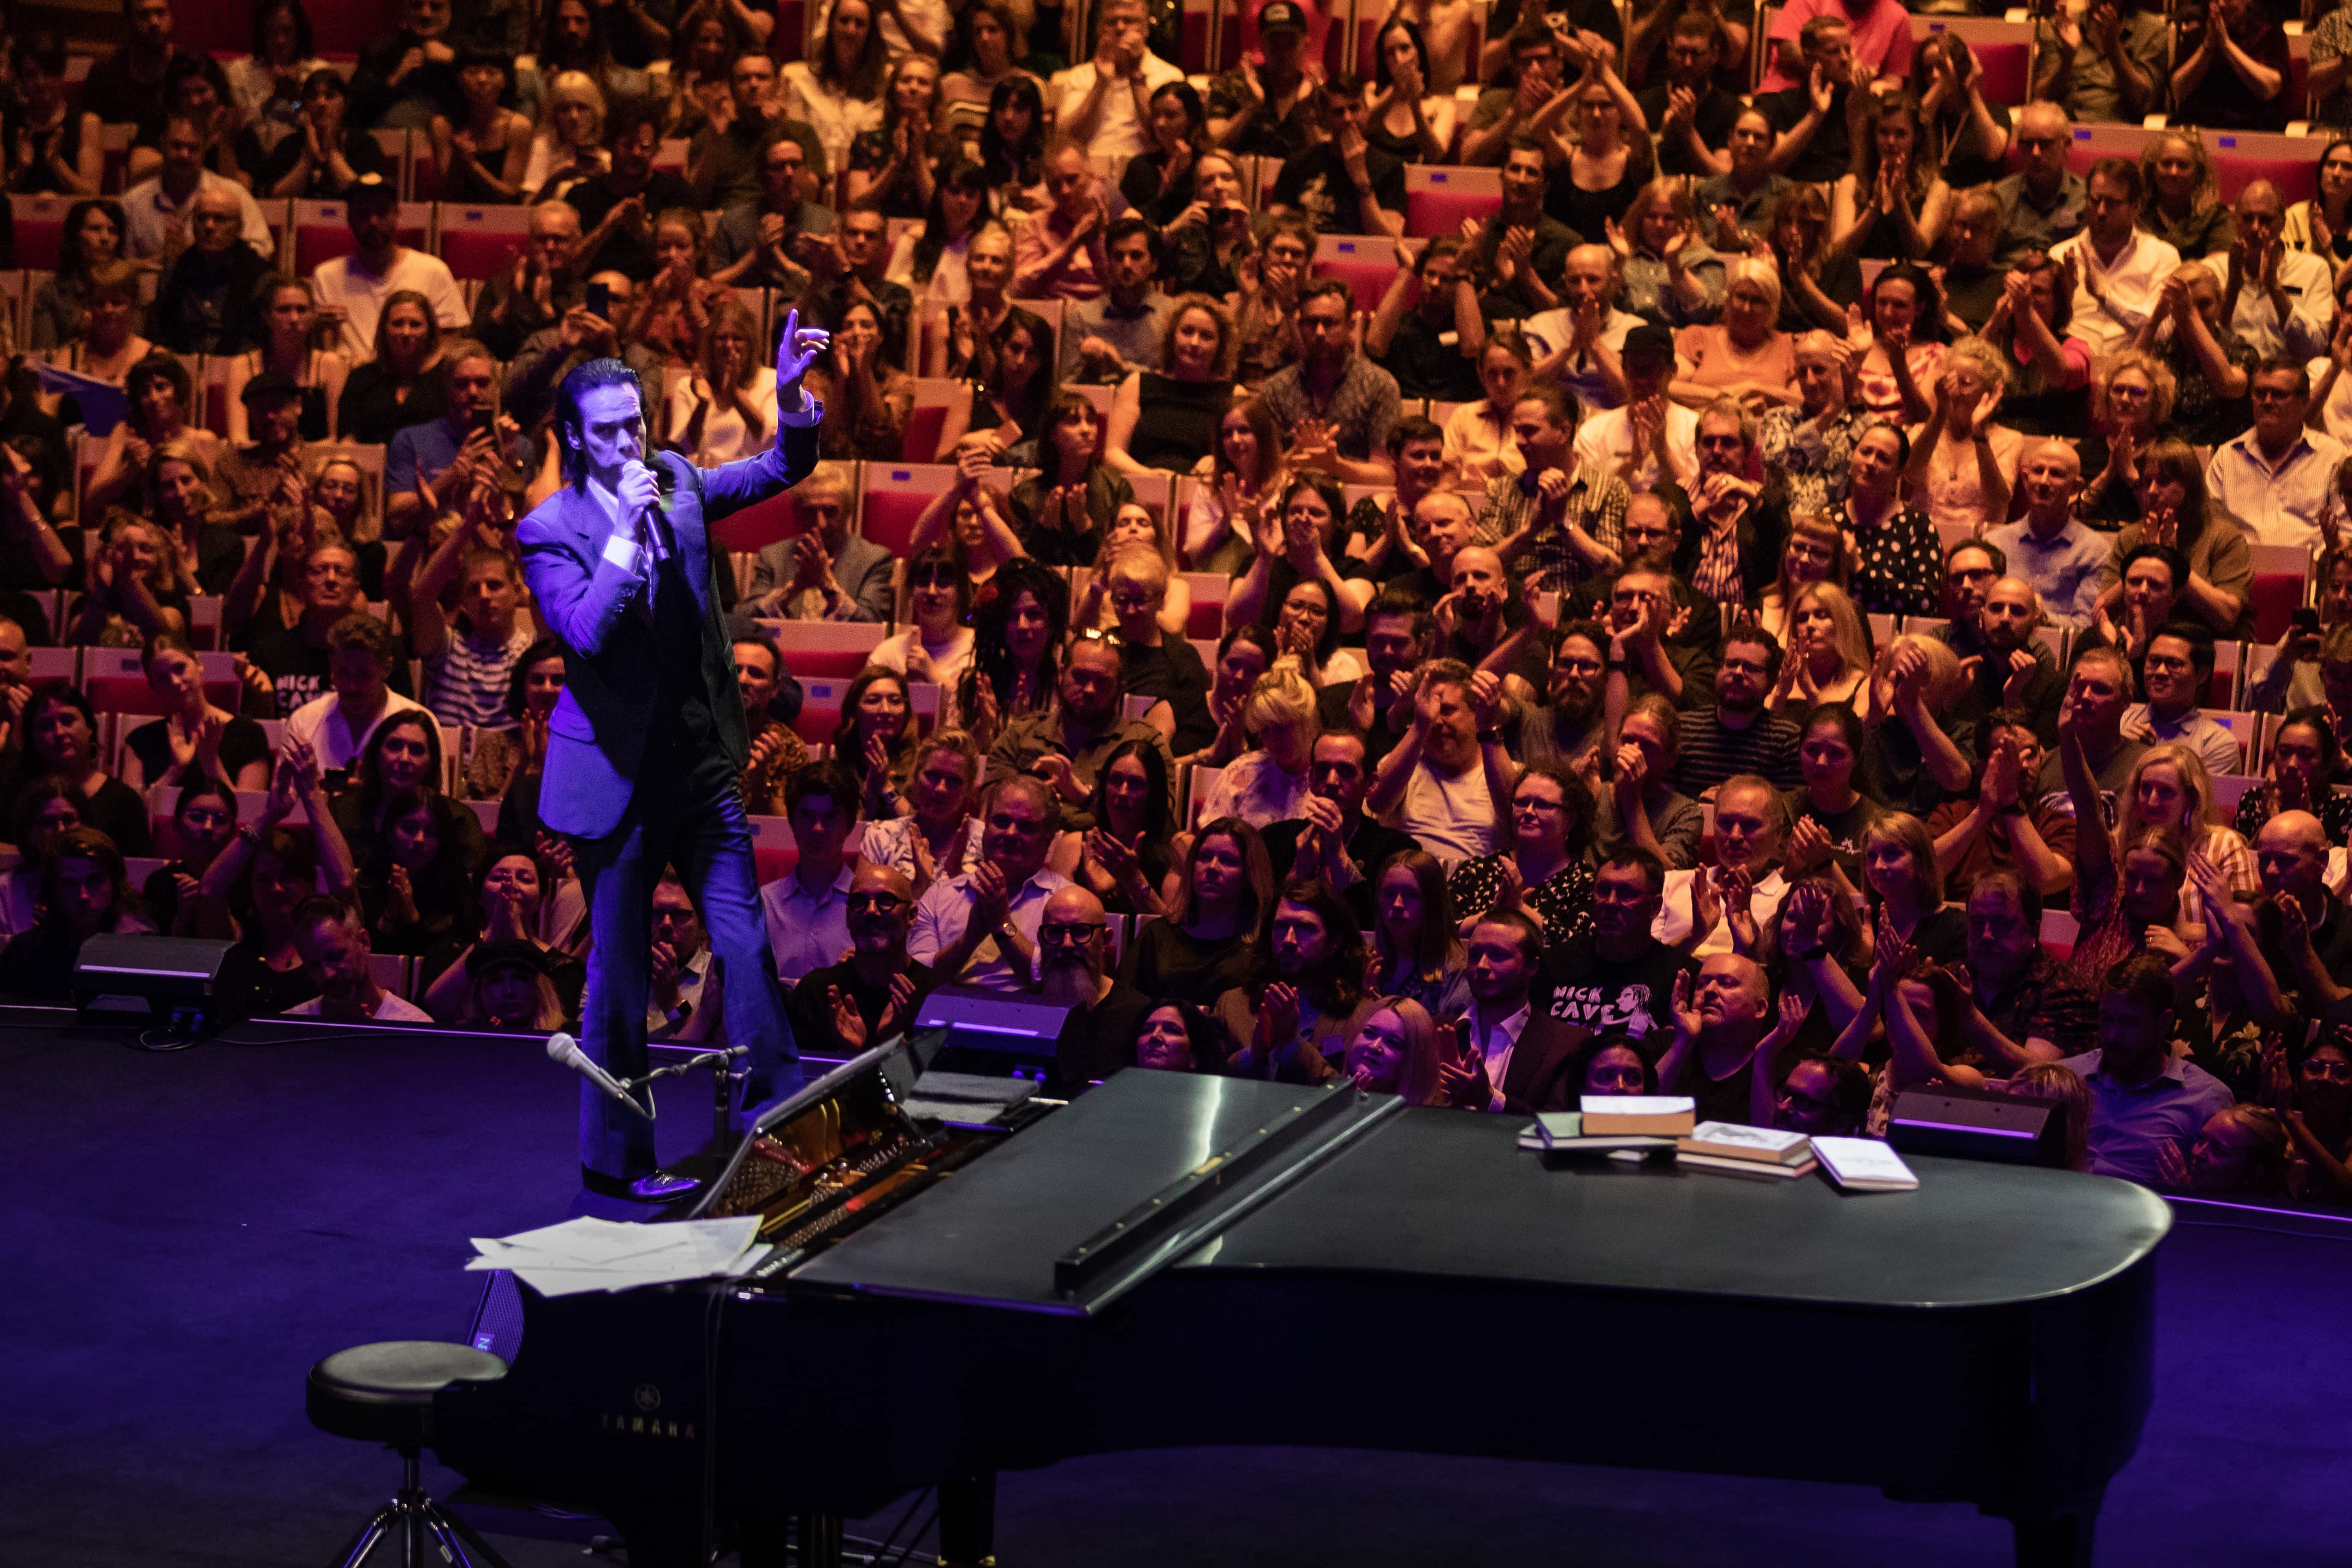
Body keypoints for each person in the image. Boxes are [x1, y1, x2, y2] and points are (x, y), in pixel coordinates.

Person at [515, 314, 831, 1200]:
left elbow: (780, 467)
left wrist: (792, 398)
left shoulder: (681, 480)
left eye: (638, 424)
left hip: (697, 772)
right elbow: (581, 627)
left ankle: (791, 1136)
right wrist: (623, 538)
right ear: (574, 438)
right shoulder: (550, 528)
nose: (629, 443)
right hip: (615, 785)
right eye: (610, 430)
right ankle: (618, 1163)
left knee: (743, 946)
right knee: (616, 980)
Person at [2051, 954, 2236, 1184]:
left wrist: (2186, 1195)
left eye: (2129, 1023)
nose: (2112, 1036)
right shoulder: (2066, 1079)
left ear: (2164, 1023)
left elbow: (2223, 1198)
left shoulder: (2206, 1098)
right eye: (2106, 1019)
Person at [907, 773, 1071, 993]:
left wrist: (1002, 924)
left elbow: (1059, 984)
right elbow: (917, 978)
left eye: (1026, 827)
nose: (1011, 834)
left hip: (1028, 1019)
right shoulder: (940, 895)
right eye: (1001, 822)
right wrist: (970, 939)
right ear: (985, 827)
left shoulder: (1066, 902)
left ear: (1049, 838)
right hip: (944, 1021)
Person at [986, 635, 1170, 830]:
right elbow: (991, 813)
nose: (1090, 690)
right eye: (1080, 677)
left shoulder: (1146, 744)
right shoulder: (1020, 736)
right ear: (1061, 674)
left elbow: (1159, 825)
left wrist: (1083, 798)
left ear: (1121, 684)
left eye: (1103, 681)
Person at [1217, 879, 1384, 1084]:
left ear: (1334, 943)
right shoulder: (1232, 1005)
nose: (1288, 940)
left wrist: (1291, 1046)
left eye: (1305, 928)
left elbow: (1353, 1096)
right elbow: (1205, 1082)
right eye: (1280, 927)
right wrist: (1254, 1054)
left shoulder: (1364, 1017)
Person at [1366, 661, 1515, 869]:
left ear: (1476, 712)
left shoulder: (1507, 771)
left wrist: (1488, 728)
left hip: (1479, 892)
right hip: (1408, 893)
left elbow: (1514, 820)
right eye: (1428, 711)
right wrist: (1420, 726)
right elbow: (1378, 803)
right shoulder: (1403, 765)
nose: (1435, 721)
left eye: (1446, 710)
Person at [786, 860, 936, 1057]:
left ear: (912, 916)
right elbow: (803, 1083)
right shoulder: (816, 992)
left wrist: (894, 1044)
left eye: (886, 901)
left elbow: (923, 1088)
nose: (871, 911)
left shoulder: (935, 997)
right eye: (859, 902)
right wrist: (848, 1054)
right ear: (848, 917)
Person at [2209, 360, 2347, 552]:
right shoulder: (2227, 457)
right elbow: (2208, 533)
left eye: (2279, 394)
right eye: (2260, 393)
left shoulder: (2333, 458)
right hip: (2239, 576)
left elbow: (2348, 533)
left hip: (2310, 576)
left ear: (2305, 400)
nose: (2267, 402)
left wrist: (2330, 552)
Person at [2051, 156, 2181, 360]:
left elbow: (2162, 332)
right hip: (2072, 370)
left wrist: (2105, 298)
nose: (2101, 211)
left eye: (2112, 203)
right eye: (2095, 201)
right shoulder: (2060, 255)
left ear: (2136, 207)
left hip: (2134, 371)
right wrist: (2065, 296)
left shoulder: (2163, 256)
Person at [119, 632, 272, 792]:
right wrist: (176, 770)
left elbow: (249, 812)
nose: (175, 682)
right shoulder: (139, 742)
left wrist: (212, 764)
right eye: (163, 678)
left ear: (199, 663)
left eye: (180, 668)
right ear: (154, 687)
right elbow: (132, 814)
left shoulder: (249, 735)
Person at [413, 544, 535, 736]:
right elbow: (422, 595)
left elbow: (549, 596)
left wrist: (513, 535)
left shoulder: (531, 654)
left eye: (494, 586)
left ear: (517, 592)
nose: (484, 596)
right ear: (463, 602)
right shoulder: (447, 648)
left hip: (509, 765)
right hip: (450, 765)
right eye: (473, 590)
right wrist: (465, 528)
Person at [18, 684, 153, 855]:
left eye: (67, 721)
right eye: (46, 726)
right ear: (33, 739)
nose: (59, 732)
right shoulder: (19, 795)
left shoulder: (124, 801)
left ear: (90, 727)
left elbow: (138, 869)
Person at [757, 761, 857, 984]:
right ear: (792, 821)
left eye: (831, 817)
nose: (817, 828)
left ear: (850, 825)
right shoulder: (763, 903)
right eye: (807, 816)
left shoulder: (868, 907)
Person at [1052, 0, 1185, 160]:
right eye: (1111, 22)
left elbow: (1162, 137)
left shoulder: (1169, 76)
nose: (1120, 28)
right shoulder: (1079, 76)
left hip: (1145, 173)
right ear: (1101, 29)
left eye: (1129, 21)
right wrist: (1100, 84)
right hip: (1089, 173)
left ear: (1146, 29)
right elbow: (1064, 141)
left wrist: (1135, 73)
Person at [277, 894, 433, 1023]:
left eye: (335, 957)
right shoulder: (291, 1026)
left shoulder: (414, 1026)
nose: (328, 974)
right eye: (314, 965)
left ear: (364, 942)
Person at [2171, 0, 2291, 132]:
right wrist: (2208, 46)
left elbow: (2270, 88)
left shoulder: (2270, 35)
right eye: (2215, 0)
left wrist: (2226, 45)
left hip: (2255, 131)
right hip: (2199, 128)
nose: (2221, 4)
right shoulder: (2196, 36)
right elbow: (2178, 91)